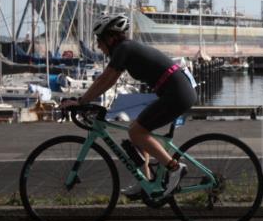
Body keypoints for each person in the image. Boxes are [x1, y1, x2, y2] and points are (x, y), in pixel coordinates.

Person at [60, 12, 195, 198]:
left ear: (111, 37)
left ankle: (174, 168)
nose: (98, 45)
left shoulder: (124, 49)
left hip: (177, 94)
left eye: (99, 39)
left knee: (136, 132)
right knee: (138, 132)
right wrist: (84, 101)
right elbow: (106, 80)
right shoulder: (125, 48)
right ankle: (145, 181)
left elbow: (106, 79)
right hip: (175, 91)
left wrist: (81, 102)